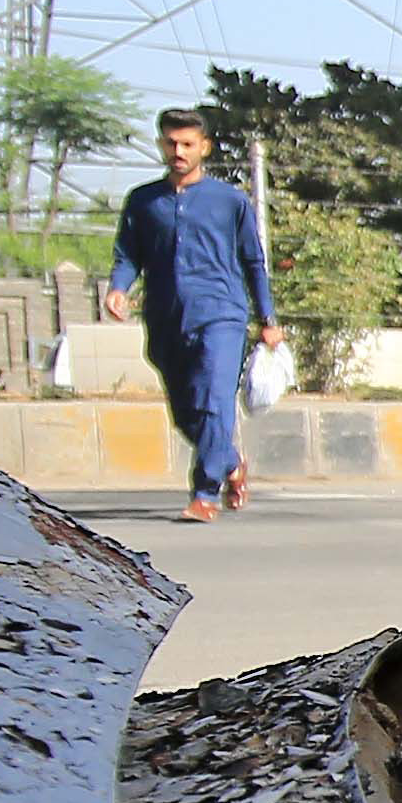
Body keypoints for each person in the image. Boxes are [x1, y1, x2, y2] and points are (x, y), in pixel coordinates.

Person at [105, 111, 279, 521]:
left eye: (187, 144)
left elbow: (253, 262)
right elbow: (128, 255)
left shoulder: (229, 201)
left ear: (205, 147)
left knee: (215, 399)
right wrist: (118, 288)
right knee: (186, 411)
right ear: (161, 145)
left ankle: (205, 493)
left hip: (222, 314)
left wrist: (268, 318)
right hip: (165, 316)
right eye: (171, 143)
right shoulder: (143, 201)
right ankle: (230, 462)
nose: (178, 152)